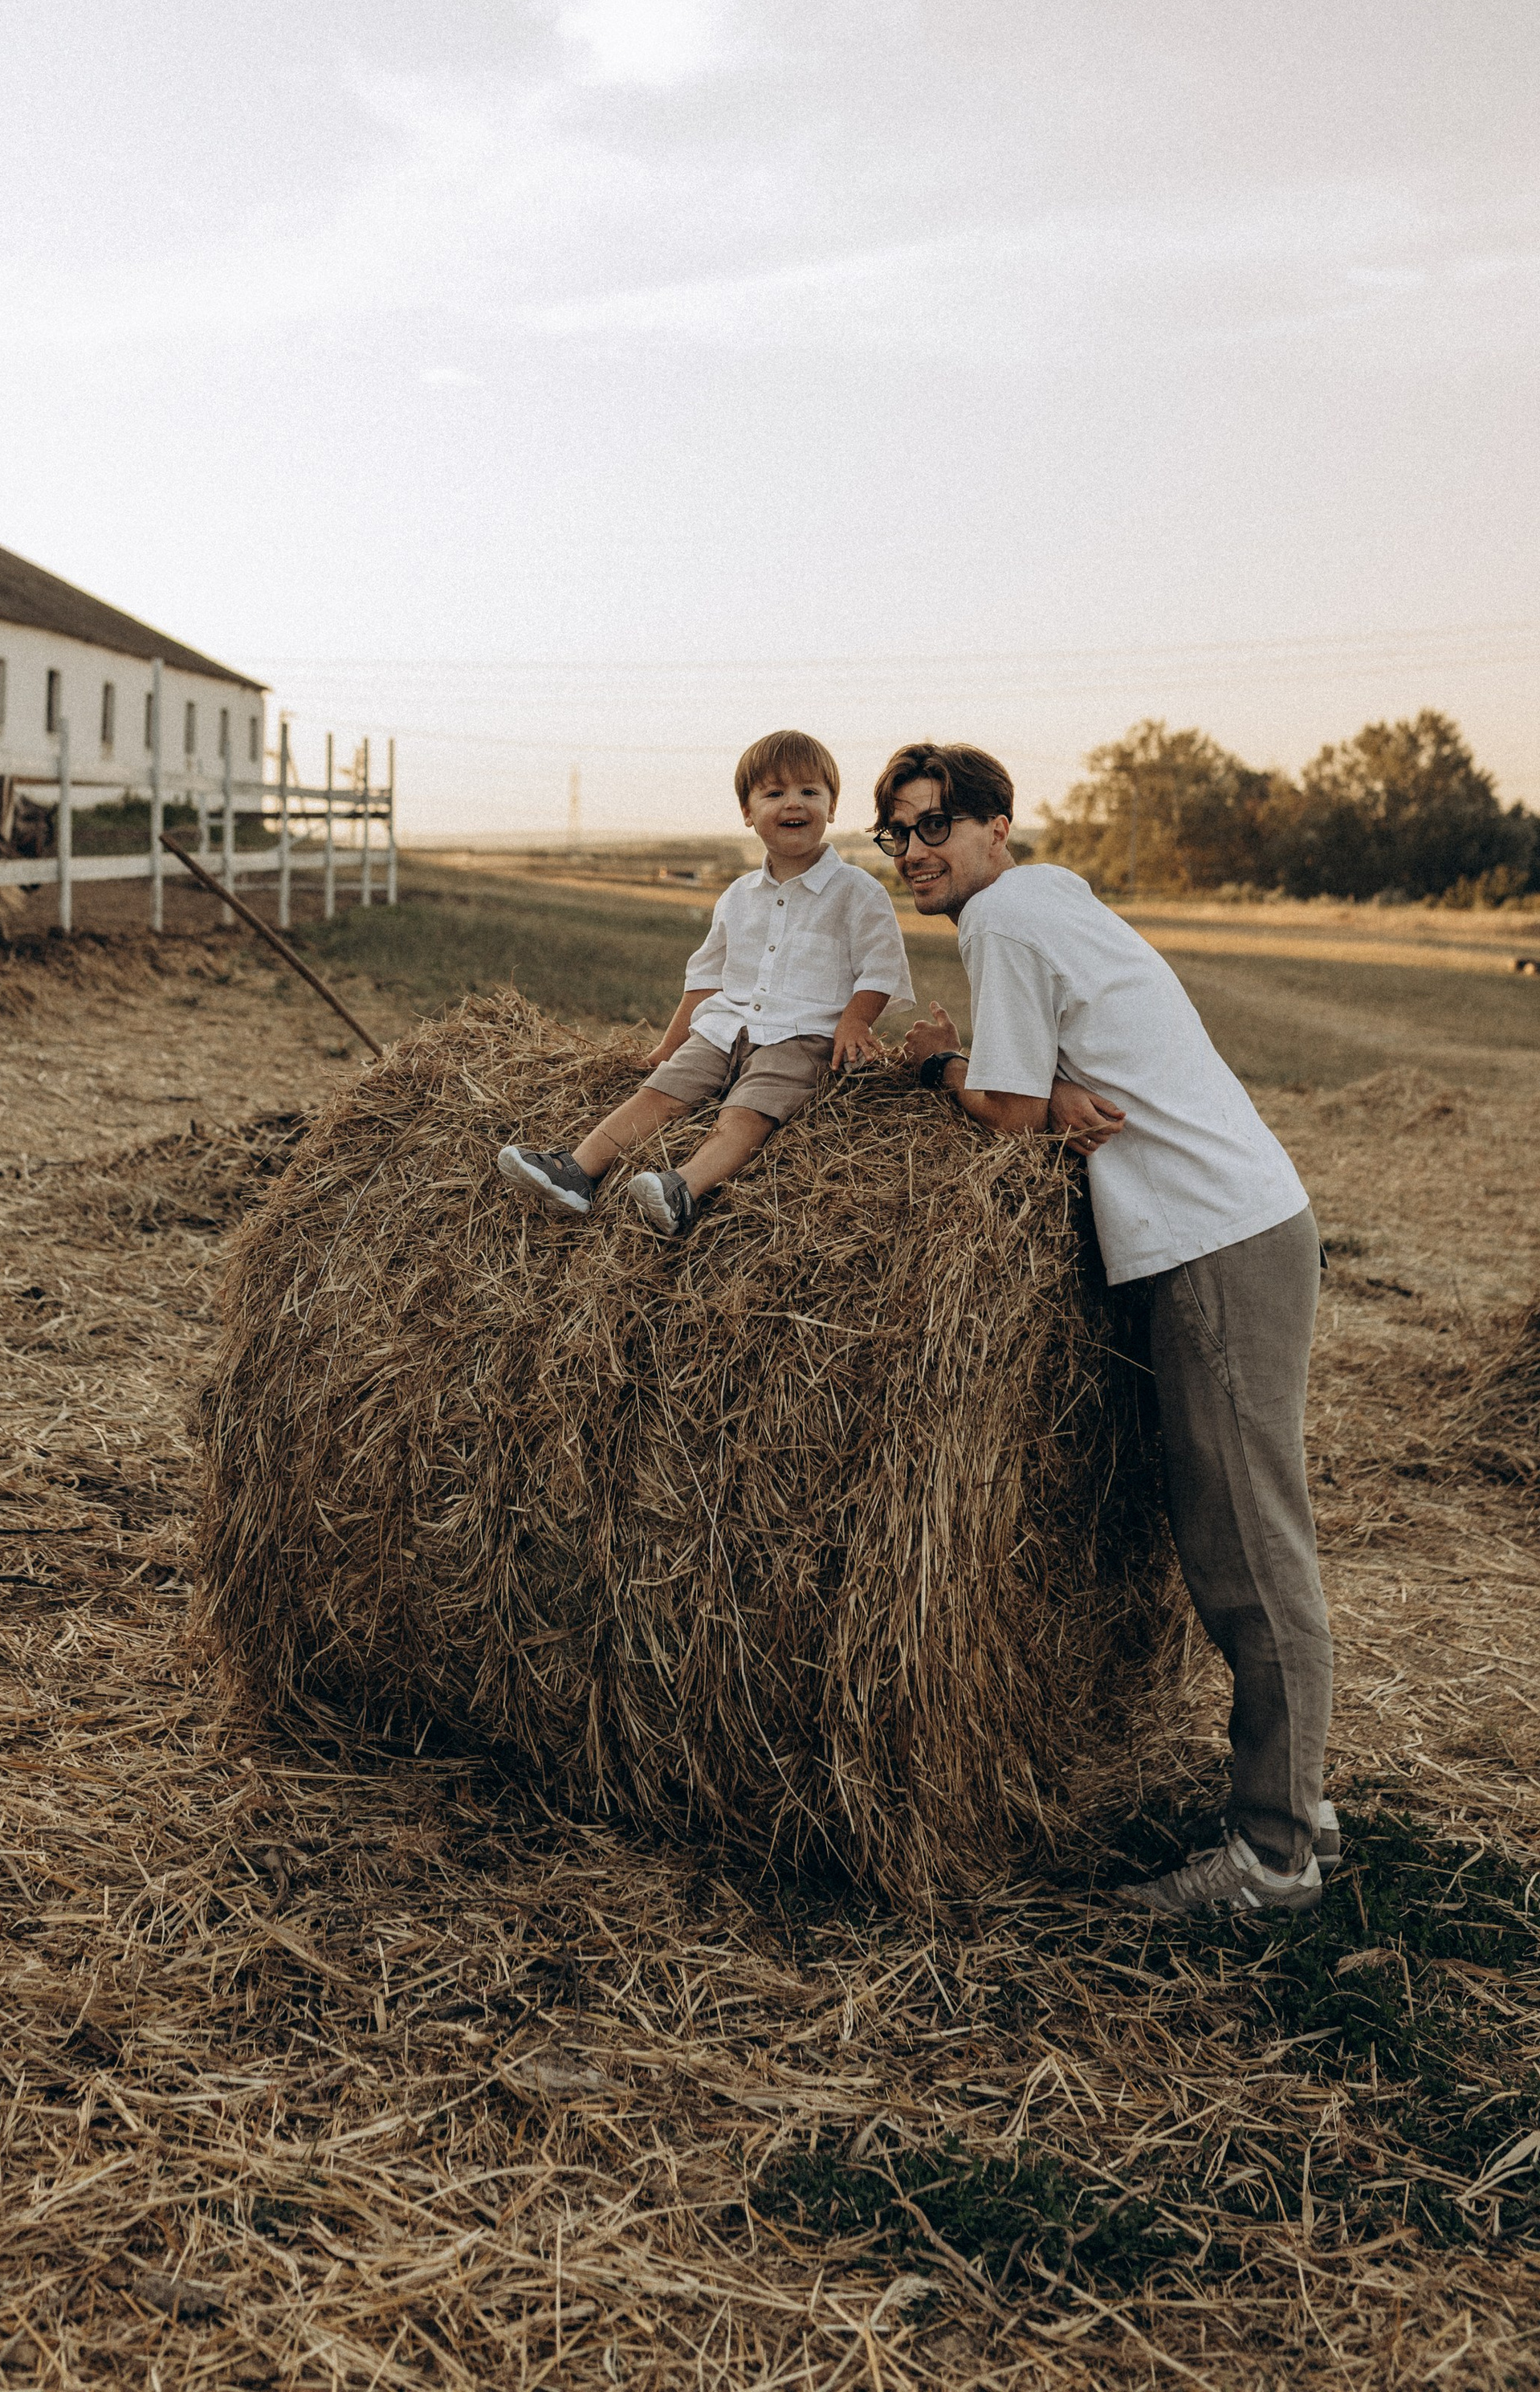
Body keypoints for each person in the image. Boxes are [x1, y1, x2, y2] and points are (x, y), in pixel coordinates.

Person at [875, 737, 1338, 1919]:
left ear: (993, 827)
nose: (913, 853)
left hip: (1216, 1243)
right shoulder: (1050, 899)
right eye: (896, 834)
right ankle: (1296, 1799)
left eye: (934, 826)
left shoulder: (1006, 921)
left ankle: (1274, 1857)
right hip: (1234, 1227)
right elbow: (1045, 1094)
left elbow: (1015, 1113)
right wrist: (1025, 1087)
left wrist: (939, 1066)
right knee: (1246, 1531)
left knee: (1246, 1546)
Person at [499, 728, 912, 1237]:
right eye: (774, 793)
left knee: (746, 1114)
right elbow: (705, 981)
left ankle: (683, 1188)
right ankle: (578, 1173)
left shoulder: (858, 892)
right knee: (659, 1092)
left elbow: (882, 967)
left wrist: (855, 1019)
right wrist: (665, 1050)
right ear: (747, 811)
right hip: (723, 1031)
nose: (794, 804)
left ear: (831, 807)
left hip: (800, 1037)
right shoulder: (737, 897)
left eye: (810, 791)